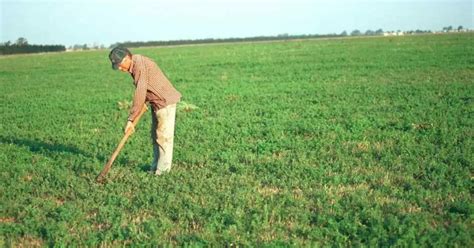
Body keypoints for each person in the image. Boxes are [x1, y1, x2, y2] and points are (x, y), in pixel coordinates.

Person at [109, 47, 181, 175]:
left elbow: (140, 92)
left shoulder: (139, 66)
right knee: (156, 136)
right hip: (156, 102)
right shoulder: (135, 64)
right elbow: (145, 90)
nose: (120, 69)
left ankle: (163, 171)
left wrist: (131, 119)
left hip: (165, 102)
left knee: (163, 137)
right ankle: (155, 168)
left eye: (120, 65)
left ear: (127, 58)